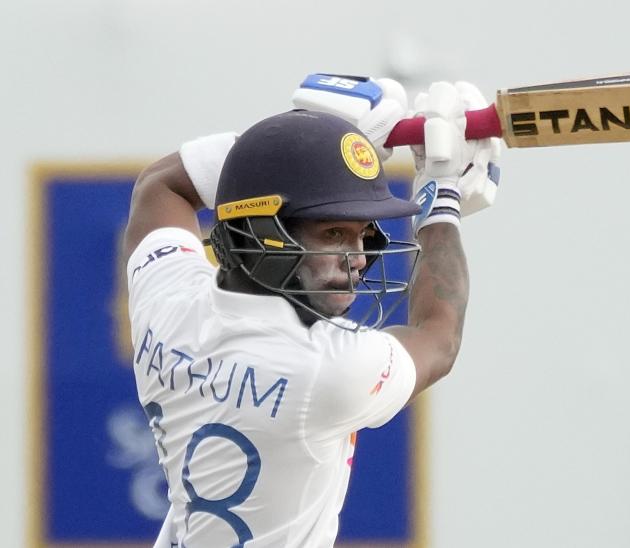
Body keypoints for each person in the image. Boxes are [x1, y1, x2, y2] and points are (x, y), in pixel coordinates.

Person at [123, 79, 501, 547]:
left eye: (363, 234)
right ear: (262, 232)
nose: (359, 258)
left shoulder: (168, 299)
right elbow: (439, 337)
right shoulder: (329, 367)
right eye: (335, 234)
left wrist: (303, 145)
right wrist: (442, 200)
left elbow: (160, 186)